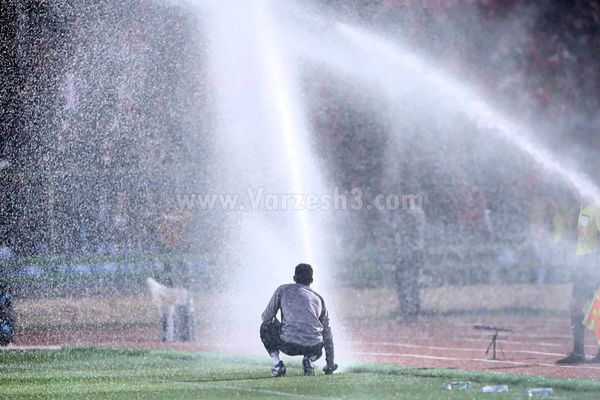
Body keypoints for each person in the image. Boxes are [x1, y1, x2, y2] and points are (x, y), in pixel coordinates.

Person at [260, 263, 337, 377]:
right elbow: (327, 333)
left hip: (288, 345)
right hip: (313, 347)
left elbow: (266, 317)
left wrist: (280, 324)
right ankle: (309, 360)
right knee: (320, 341)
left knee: (265, 327)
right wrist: (330, 364)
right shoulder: (319, 298)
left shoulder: (282, 290)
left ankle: (278, 365)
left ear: (294, 278)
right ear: (312, 280)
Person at [556, 202, 600, 364]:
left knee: (597, 307)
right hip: (582, 264)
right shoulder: (582, 209)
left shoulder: (596, 207)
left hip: (593, 263)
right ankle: (579, 352)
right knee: (575, 306)